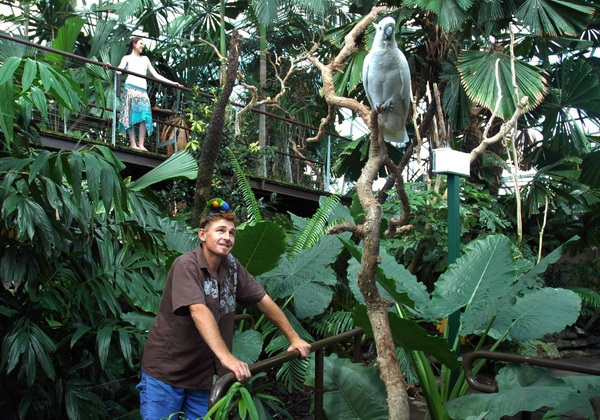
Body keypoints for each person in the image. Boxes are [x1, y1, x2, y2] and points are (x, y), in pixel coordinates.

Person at [137, 198, 312, 420]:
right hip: (167, 373)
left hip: (202, 375)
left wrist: (294, 338)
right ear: (202, 235)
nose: (227, 237)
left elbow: (262, 299)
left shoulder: (232, 266)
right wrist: (227, 357)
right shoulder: (186, 265)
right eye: (220, 230)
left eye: (231, 233)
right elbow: (198, 310)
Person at [118, 37, 181, 151]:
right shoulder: (127, 58)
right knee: (130, 115)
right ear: (134, 44)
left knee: (145, 115)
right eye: (141, 43)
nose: (143, 46)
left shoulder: (145, 59)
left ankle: (141, 144)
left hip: (142, 90)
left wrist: (173, 83)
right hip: (131, 88)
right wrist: (108, 66)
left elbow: (156, 75)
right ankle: (133, 143)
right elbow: (118, 70)